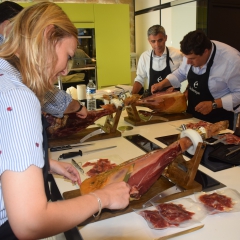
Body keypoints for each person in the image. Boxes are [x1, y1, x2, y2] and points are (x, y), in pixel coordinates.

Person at [0, 2, 130, 239]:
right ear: (49, 35)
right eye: (68, 56)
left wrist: (46, 164)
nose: (65, 70)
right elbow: (30, 222)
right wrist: (104, 197)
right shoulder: (18, 97)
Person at [0, 1, 88, 119]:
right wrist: (77, 106)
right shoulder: (17, 93)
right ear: (7, 26)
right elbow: (47, 94)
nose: (65, 71)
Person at [151, 29, 240, 130]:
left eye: (192, 59)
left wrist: (214, 104)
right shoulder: (191, 52)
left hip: (219, 121)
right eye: (186, 58)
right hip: (193, 117)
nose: (188, 62)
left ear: (205, 52)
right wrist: (162, 84)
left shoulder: (232, 61)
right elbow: (181, 72)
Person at [132, 25, 183, 95]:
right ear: (149, 41)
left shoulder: (178, 55)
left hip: (173, 100)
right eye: (153, 41)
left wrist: (185, 92)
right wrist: (132, 95)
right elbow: (140, 78)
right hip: (153, 101)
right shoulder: (144, 57)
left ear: (165, 38)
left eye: (160, 40)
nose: (157, 44)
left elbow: (187, 75)